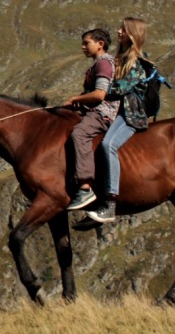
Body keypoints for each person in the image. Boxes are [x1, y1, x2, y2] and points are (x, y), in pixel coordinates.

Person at [82, 17, 151, 224]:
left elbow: (121, 88)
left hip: (130, 114)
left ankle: (110, 202)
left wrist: (97, 92)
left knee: (108, 144)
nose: (118, 31)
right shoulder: (120, 58)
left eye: (123, 29)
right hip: (117, 111)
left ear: (132, 34)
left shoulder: (137, 62)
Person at [64, 28, 118, 211]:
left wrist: (75, 99)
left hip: (104, 112)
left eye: (87, 43)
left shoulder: (103, 63)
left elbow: (99, 94)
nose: (83, 47)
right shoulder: (98, 63)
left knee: (79, 134)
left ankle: (85, 186)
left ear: (100, 44)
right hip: (95, 109)